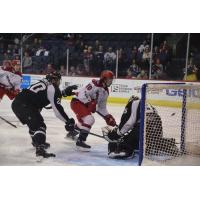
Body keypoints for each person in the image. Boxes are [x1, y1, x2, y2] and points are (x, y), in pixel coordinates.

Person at [11, 71, 77, 158]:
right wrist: (68, 121)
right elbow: (57, 110)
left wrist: (63, 93)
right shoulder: (53, 88)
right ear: (55, 80)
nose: (58, 83)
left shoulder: (44, 83)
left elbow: (47, 94)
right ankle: (40, 150)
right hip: (25, 105)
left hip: (16, 104)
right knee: (40, 126)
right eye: (57, 80)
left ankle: (36, 142)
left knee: (34, 125)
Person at [102, 95, 179, 159]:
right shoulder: (148, 105)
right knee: (152, 141)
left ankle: (125, 150)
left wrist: (116, 134)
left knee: (124, 141)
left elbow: (128, 123)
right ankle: (169, 145)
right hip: (157, 129)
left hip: (143, 128)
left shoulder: (133, 103)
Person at [69, 70, 116, 151]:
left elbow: (102, 108)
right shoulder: (94, 84)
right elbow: (82, 94)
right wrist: (89, 102)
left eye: (112, 79)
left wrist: (107, 117)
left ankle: (71, 133)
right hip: (77, 102)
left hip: (84, 106)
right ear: (104, 79)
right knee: (89, 119)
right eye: (109, 79)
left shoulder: (106, 92)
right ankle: (80, 141)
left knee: (83, 123)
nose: (111, 81)